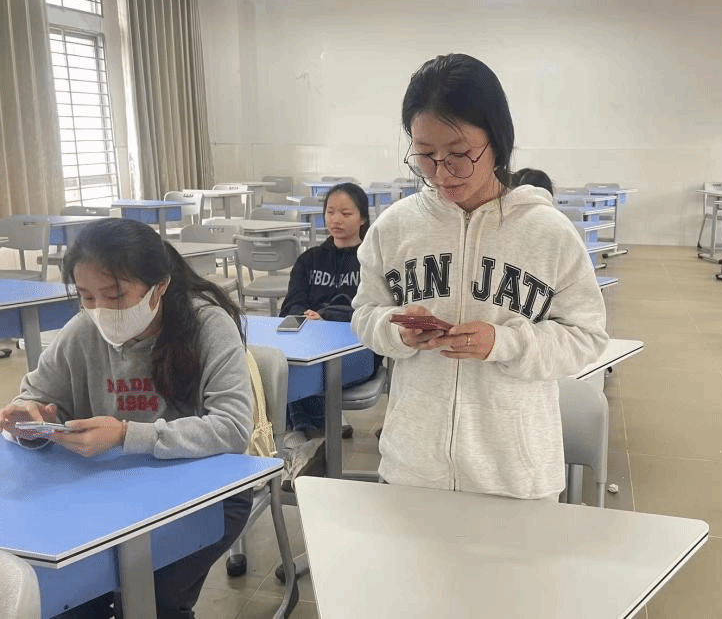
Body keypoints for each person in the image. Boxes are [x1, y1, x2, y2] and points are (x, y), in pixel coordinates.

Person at [351, 53, 608, 501]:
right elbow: (364, 314)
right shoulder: (394, 228)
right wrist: (395, 330)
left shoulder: (548, 233)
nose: (442, 173)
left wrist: (503, 342)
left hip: (515, 477)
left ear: (497, 141)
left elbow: (586, 337)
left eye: (459, 154)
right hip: (414, 469)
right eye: (425, 156)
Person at [0, 217, 253, 618]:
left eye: (115, 295)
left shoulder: (206, 325)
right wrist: (29, 423)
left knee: (156, 600)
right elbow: (34, 395)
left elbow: (233, 427)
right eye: (86, 296)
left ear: (159, 286)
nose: (99, 309)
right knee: (71, 596)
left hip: (204, 494)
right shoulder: (83, 329)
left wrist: (124, 434)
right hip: (109, 490)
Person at [277, 183, 374, 485]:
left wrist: (328, 315)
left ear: (362, 217)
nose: (336, 219)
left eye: (346, 213)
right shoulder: (309, 260)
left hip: (358, 350)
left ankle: (307, 440)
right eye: (330, 212)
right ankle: (309, 443)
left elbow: (374, 310)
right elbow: (291, 304)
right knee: (280, 366)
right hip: (311, 344)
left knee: (297, 374)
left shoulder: (372, 260)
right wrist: (305, 314)